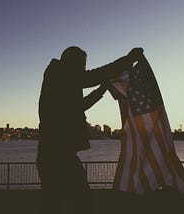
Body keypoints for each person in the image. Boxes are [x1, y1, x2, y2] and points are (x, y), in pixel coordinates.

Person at [36, 46, 143, 214]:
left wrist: (101, 90)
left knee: (58, 200)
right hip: (57, 153)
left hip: (55, 152)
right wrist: (127, 60)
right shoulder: (58, 72)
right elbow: (94, 76)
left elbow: (79, 106)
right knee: (77, 198)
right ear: (71, 62)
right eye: (82, 65)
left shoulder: (59, 79)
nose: (84, 68)